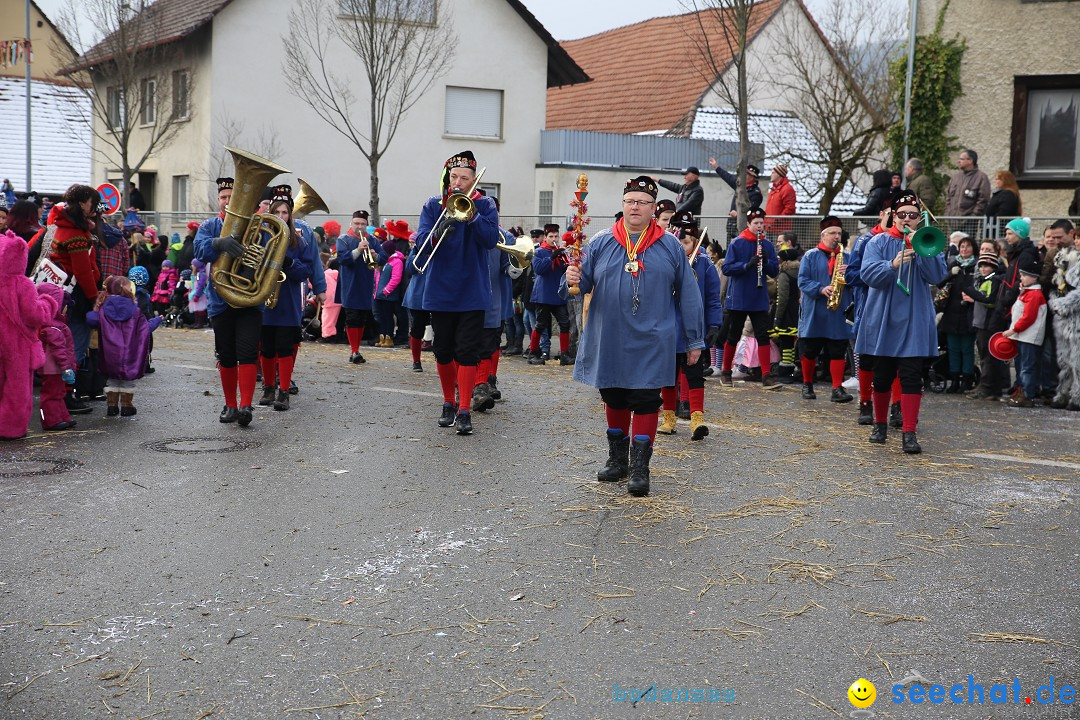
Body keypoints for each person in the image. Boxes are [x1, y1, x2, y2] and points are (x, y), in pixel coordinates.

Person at [562, 176, 704, 497]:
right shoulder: (600, 242)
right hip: (609, 335)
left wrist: (694, 340)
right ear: (622, 205)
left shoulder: (669, 245)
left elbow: (689, 294)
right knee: (613, 396)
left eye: (642, 202)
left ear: (653, 208)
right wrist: (570, 277)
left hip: (653, 338)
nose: (635, 206)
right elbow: (579, 285)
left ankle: (640, 467)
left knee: (644, 400)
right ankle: (617, 460)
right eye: (630, 201)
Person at [854, 191, 947, 453]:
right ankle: (880, 425)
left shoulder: (927, 241)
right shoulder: (878, 242)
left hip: (914, 320)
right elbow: (868, 275)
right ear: (893, 216)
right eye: (902, 214)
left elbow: (937, 276)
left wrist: (923, 249)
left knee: (911, 377)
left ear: (920, 218)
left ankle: (909, 433)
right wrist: (892, 265)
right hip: (884, 318)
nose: (907, 219)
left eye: (913, 215)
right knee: (881, 377)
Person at [414, 150, 500, 435]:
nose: (459, 183)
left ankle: (464, 410)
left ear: (473, 179)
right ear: (448, 178)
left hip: (472, 291)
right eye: (454, 177)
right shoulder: (433, 205)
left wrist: (472, 217)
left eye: (464, 178)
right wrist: (444, 225)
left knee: (467, 352)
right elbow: (422, 245)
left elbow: (489, 241)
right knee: (442, 350)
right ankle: (448, 403)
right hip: (440, 290)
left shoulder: (485, 204)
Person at [194, 176, 261, 426]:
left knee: (247, 352)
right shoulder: (210, 226)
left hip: (249, 299)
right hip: (221, 300)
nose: (226, 201)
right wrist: (218, 243)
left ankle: (246, 405)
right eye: (223, 197)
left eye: (232, 197)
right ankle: (230, 404)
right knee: (227, 354)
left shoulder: (255, 225)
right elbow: (199, 252)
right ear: (218, 200)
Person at [257, 185, 327, 411]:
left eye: (284, 213)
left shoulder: (300, 241)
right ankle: (268, 388)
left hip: (287, 301)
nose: (280, 217)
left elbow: (305, 271)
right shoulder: (261, 236)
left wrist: (289, 262)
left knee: (285, 347)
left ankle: (283, 391)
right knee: (266, 348)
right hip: (264, 299)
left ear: (290, 215)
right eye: (276, 212)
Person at [657, 212, 722, 440]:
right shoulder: (664, 260)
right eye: (678, 241)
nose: (682, 246)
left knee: (694, 373)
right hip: (667, 328)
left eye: (686, 242)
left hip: (693, 329)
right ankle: (668, 418)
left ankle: (697, 419)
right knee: (668, 374)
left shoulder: (704, 263)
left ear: (695, 241)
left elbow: (713, 297)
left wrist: (714, 324)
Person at [0, 230, 54, 439]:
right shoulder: (22, 284)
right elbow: (34, 315)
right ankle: (10, 428)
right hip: (18, 345)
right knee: (17, 388)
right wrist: (48, 302)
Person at [719, 207, 780, 388]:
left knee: (763, 334)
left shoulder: (767, 245)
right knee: (733, 335)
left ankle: (766, 375)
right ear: (748, 224)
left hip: (758, 297)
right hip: (739, 296)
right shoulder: (737, 243)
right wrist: (746, 265)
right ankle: (726, 372)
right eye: (756, 223)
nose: (760, 226)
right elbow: (727, 268)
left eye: (762, 223)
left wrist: (767, 261)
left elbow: (775, 271)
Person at [797, 216, 854, 402]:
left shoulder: (847, 257)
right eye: (832, 233)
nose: (836, 236)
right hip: (815, 310)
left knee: (838, 350)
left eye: (839, 233)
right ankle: (807, 384)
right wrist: (820, 288)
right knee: (810, 350)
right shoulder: (810, 255)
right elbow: (802, 281)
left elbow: (858, 282)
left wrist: (851, 273)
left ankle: (837, 388)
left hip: (838, 312)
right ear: (823, 235)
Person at [336, 210, 386, 363]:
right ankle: (354, 350)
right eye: (357, 223)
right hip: (349, 283)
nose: (360, 227)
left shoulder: (373, 240)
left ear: (367, 225)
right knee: (352, 317)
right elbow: (343, 259)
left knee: (362, 318)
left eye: (363, 224)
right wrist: (358, 250)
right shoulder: (343, 239)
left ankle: (356, 349)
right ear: (351, 224)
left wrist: (376, 255)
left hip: (365, 283)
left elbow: (384, 257)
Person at [1002, 258, 1047, 407]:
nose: (1021, 278)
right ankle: (1022, 392)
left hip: (1029, 337)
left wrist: (1013, 330)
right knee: (1022, 366)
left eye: (1024, 275)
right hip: (1023, 336)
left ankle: (1028, 394)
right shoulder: (1027, 293)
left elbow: (1028, 317)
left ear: (1034, 277)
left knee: (1027, 367)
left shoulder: (1034, 295)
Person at [937, 234, 978, 393]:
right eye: (962, 246)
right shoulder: (953, 264)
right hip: (951, 313)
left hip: (968, 313)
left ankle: (966, 380)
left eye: (967, 246)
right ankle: (954, 380)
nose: (964, 249)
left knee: (967, 349)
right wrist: (950, 274)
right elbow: (940, 283)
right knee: (953, 349)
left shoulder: (977, 266)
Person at [527, 224, 573, 365]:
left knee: (565, 324)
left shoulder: (561, 251)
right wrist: (552, 257)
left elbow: (566, 269)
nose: (554, 239)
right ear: (545, 237)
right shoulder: (539, 252)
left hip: (558, 295)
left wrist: (566, 259)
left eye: (556, 236)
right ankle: (533, 353)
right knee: (540, 324)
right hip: (543, 294)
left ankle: (564, 354)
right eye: (551, 236)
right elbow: (539, 269)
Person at [964, 248, 1006, 401]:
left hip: (988, 324)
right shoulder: (985, 280)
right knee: (985, 357)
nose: (983, 268)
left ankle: (988, 387)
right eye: (981, 265)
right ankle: (989, 387)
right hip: (982, 323)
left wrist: (970, 291)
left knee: (988, 358)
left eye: (986, 266)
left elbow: (989, 300)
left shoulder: (994, 280)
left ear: (993, 267)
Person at [35, 283, 77, 431]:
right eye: (65, 306)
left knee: (58, 393)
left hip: (56, 368)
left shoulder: (56, 325)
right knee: (50, 395)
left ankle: (61, 417)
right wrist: (66, 368)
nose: (67, 309)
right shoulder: (53, 327)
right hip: (53, 368)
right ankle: (49, 421)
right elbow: (59, 350)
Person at [1048, 262, 1080, 410]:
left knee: (1077, 361)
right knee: (1065, 360)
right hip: (1064, 320)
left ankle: (1077, 397)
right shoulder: (1065, 259)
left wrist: (1062, 304)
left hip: (1075, 317)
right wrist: (1055, 298)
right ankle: (1063, 393)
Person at [708, 158, 763, 240]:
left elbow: (751, 211)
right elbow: (728, 177)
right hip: (732, 226)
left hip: (743, 228)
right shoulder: (740, 186)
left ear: (753, 177)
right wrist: (716, 167)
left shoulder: (756, 194)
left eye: (747, 174)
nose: (744, 176)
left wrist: (738, 214)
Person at [771, 232, 801, 383]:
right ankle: (792, 366)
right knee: (792, 341)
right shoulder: (798, 272)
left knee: (786, 341)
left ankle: (786, 369)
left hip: (787, 312)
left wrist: (777, 318)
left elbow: (782, 298)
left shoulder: (784, 275)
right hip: (796, 310)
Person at [945, 149, 991, 234]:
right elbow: (948, 197)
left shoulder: (981, 177)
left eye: (961, 159)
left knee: (967, 245)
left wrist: (973, 216)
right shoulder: (956, 177)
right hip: (953, 221)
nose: (958, 161)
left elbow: (983, 199)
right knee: (953, 246)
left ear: (970, 161)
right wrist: (948, 213)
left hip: (969, 222)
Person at [374, 237, 405, 348]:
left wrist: (386, 290)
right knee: (380, 317)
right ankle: (382, 336)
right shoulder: (383, 261)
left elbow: (395, 278)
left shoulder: (396, 262)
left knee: (388, 316)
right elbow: (376, 276)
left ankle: (389, 337)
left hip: (388, 295)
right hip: (379, 294)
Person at [764, 164, 796, 234]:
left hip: (780, 230)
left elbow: (790, 208)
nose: (770, 175)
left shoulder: (787, 189)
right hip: (770, 228)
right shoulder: (773, 190)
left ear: (778, 174)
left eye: (773, 173)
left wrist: (777, 220)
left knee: (781, 245)